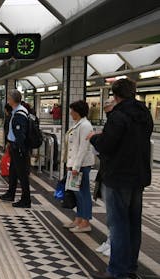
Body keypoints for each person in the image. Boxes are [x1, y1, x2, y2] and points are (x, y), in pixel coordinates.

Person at [88, 79, 153, 279]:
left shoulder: (118, 116)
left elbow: (107, 146)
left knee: (118, 225)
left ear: (115, 97)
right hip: (139, 177)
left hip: (118, 176)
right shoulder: (145, 114)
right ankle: (130, 267)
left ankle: (117, 270)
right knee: (133, 224)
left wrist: (94, 138)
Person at [61, 100, 95, 233]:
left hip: (81, 166)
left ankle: (85, 222)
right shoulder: (78, 124)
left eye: (72, 110)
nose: (70, 113)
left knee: (83, 194)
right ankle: (79, 218)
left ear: (78, 111)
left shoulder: (85, 125)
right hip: (75, 165)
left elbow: (82, 148)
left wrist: (75, 167)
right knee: (77, 193)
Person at [0, 90, 31, 208]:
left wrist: (20, 149)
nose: (7, 100)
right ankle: (10, 193)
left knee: (22, 174)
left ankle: (26, 199)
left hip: (19, 148)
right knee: (13, 171)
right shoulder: (16, 111)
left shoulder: (20, 113)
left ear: (12, 99)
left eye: (8, 98)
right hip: (14, 146)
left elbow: (20, 134)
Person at [93, 97, 116, 258]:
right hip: (109, 172)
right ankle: (111, 241)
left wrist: (95, 139)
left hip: (115, 174)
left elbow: (106, 147)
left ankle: (115, 244)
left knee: (116, 213)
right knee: (111, 212)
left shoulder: (118, 122)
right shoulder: (114, 122)